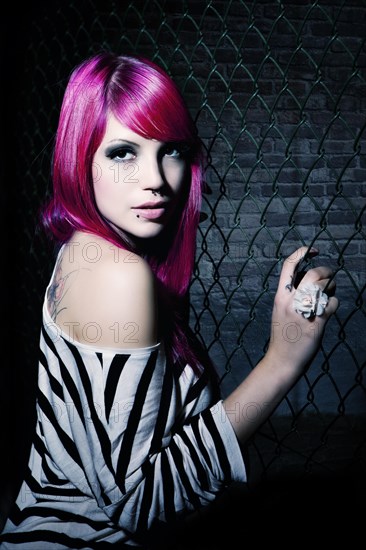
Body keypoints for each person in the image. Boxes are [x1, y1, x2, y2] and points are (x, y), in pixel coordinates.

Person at [0, 52, 338, 549]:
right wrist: (282, 362)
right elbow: (137, 504)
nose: (156, 179)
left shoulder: (86, 250)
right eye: (122, 153)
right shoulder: (116, 274)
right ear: (81, 159)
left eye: (171, 150)